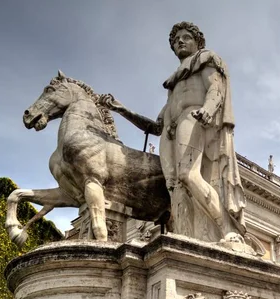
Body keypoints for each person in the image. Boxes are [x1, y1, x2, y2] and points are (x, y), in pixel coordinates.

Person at [101, 22, 245, 242]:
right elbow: (155, 127)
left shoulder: (205, 59)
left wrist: (207, 109)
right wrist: (122, 110)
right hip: (171, 128)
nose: (180, 41)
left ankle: (227, 230)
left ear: (198, 41)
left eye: (186, 37)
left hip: (193, 115)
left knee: (188, 175)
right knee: (174, 187)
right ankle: (185, 236)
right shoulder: (174, 86)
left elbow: (216, 88)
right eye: (176, 40)